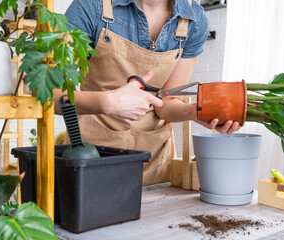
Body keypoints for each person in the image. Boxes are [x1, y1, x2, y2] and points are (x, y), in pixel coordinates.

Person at [54, 0, 241, 185]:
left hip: (154, 165)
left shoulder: (194, 20)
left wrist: (194, 111)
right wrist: (107, 102)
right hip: (91, 160)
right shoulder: (90, 6)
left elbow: (166, 102)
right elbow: (49, 95)